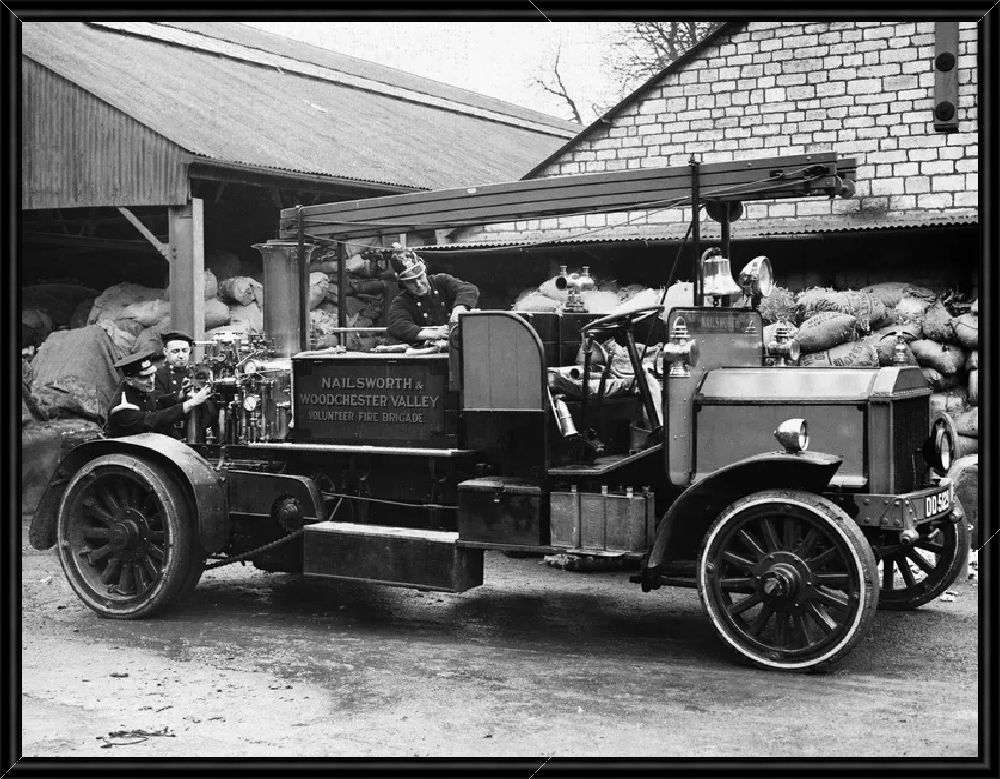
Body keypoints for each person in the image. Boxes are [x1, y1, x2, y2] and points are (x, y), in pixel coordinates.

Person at [106, 349, 212, 438]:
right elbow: (152, 420)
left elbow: (157, 401)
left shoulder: (139, 388)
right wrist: (190, 404)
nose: (151, 380)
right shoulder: (122, 407)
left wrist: (181, 394)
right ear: (129, 380)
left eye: (152, 374)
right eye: (145, 377)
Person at [386, 248, 479, 345]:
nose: (418, 284)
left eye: (420, 277)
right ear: (403, 284)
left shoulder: (442, 281)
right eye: (410, 282)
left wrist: (459, 308)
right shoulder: (401, 302)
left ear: (425, 272)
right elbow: (398, 325)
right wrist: (433, 334)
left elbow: (469, 289)